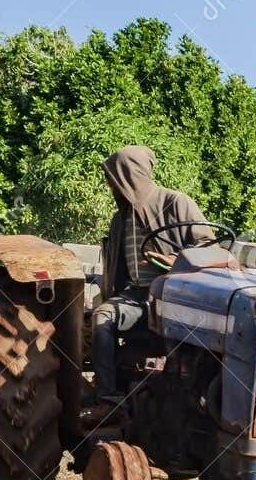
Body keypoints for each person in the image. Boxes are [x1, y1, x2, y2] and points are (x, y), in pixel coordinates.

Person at [92, 145, 215, 402]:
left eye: (113, 179)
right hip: (136, 296)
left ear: (129, 175)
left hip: (176, 293)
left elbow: (208, 246)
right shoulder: (120, 219)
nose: (110, 186)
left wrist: (177, 261)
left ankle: (189, 392)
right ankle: (107, 394)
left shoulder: (175, 202)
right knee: (102, 317)